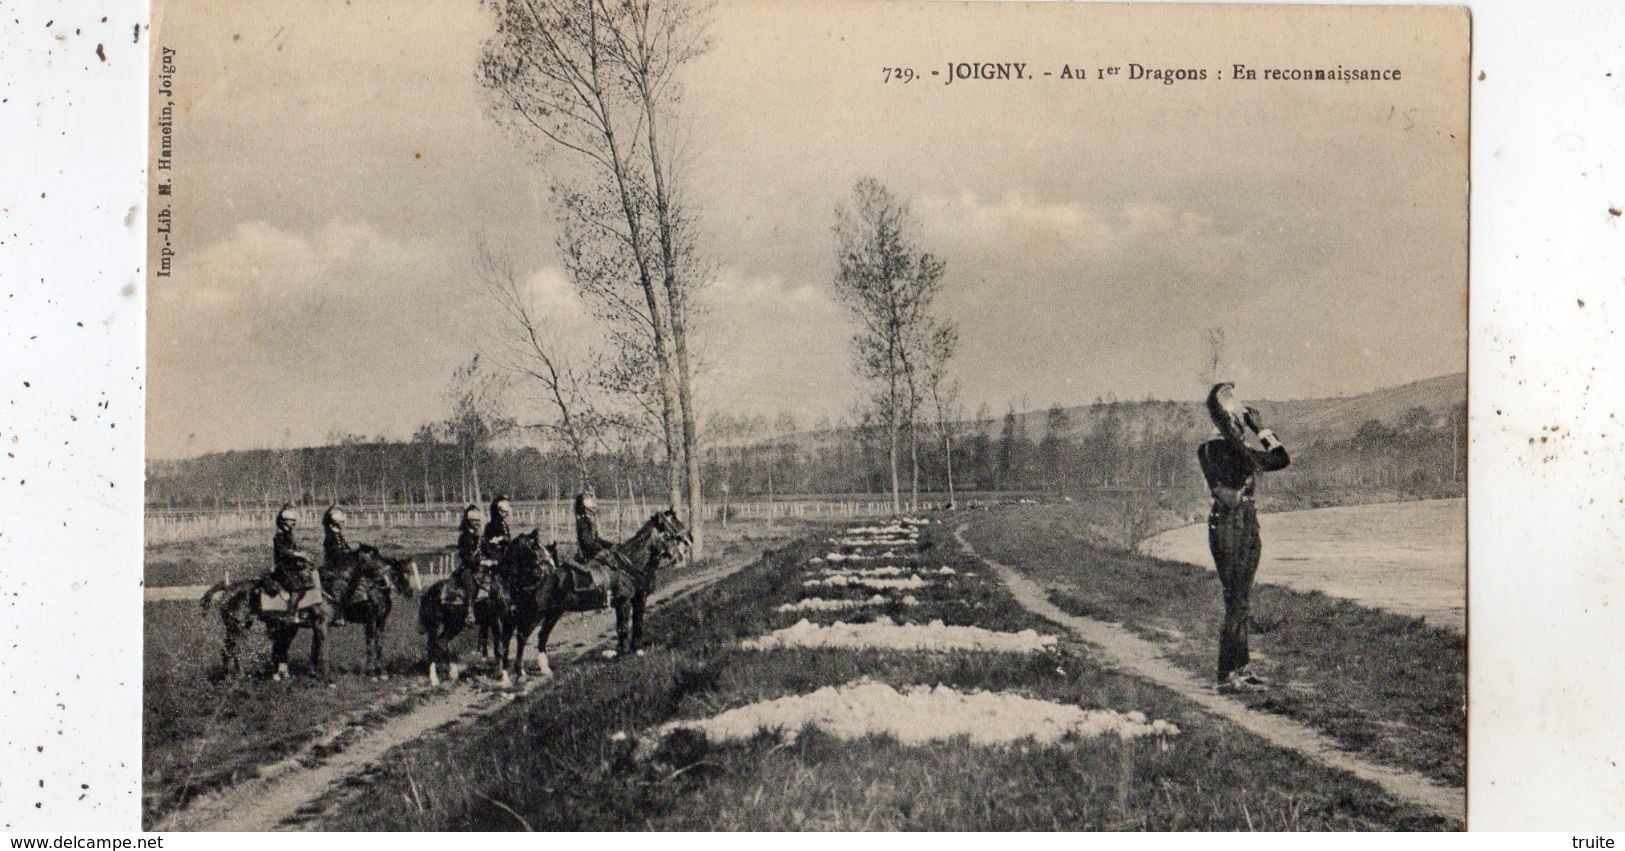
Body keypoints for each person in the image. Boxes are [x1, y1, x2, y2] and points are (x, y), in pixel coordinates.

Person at [1197, 382, 1290, 695]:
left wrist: (1261, 429)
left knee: (1240, 600)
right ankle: (1227, 673)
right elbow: (1261, 464)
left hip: (1245, 525)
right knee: (1236, 600)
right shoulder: (1214, 448)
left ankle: (1241, 668)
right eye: (1235, 414)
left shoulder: (1233, 449)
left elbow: (1280, 459)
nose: (1241, 420)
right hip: (1229, 526)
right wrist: (1255, 431)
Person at [323, 505, 369, 625]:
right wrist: (350, 554)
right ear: (334, 523)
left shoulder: (339, 536)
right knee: (339, 587)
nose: (343, 524)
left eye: (342, 521)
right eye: (340, 522)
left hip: (342, 567)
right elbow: (336, 555)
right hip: (333, 568)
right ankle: (338, 615)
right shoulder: (330, 538)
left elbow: (346, 551)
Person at [447, 504, 487, 625]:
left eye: (478, 521)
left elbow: (485, 551)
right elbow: (465, 556)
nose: (477, 523)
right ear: (469, 521)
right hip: (467, 568)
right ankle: (470, 613)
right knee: (470, 586)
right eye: (474, 521)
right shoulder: (464, 537)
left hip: (481, 567)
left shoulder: (479, 537)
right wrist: (478, 561)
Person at [268, 503, 316, 605]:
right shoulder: (279, 536)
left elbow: (294, 549)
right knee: (296, 589)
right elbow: (283, 552)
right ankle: (291, 614)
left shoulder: (289, 534)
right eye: (291, 520)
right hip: (283, 567)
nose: (293, 522)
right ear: (284, 522)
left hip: (290, 566)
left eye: (294, 520)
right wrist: (298, 554)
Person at [574, 488, 613, 563]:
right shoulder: (584, 523)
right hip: (589, 555)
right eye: (592, 509)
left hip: (590, 551)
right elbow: (589, 543)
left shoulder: (585, 522)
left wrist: (608, 545)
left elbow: (594, 540)